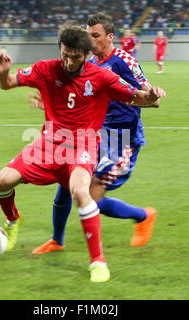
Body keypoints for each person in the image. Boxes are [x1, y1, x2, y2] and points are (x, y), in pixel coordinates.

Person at [0, 24, 165, 283]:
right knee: (2, 181)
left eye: (76, 56)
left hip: (84, 145)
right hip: (49, 143)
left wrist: (150, 95)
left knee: (82, 193)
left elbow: (138, 97)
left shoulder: (101, 76)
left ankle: (97, 262)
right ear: (60, 49)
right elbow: (8, 84)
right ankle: (13, 221)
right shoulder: (45, 69)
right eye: (65, 54)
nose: (69, 61)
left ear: (86, 54)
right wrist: (3, 73)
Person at [30, 12, 159, 257]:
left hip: (120, 140)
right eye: (88, 35)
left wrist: (140, 97)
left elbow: (150, 98)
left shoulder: (122, 60)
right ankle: (57, 240)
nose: (90, 40)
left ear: (109, 37)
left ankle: (143, 216)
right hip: (93, 134)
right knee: (67, 184)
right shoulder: (87, 63)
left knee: (89, 198)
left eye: (95, 36)